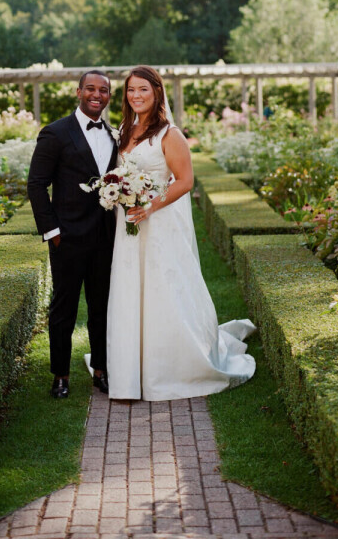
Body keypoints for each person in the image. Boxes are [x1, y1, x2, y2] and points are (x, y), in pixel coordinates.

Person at [107, 65, 256, 401]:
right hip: (129, 222)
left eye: (143, 89)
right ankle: (130, 368)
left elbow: (185, 181)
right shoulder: (124, 130)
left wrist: (150, 206)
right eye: (131, 90)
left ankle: (169, 366)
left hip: (158, 222)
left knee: (164, 287)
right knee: (132, 288)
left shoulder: (170, 134)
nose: (136, 96)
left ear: (157, 92)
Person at [27, 70, 118, 399]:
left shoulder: (113, 135)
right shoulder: (55, 133)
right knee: (63, 308)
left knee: (102, 306)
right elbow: (36, 185)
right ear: (79, 91)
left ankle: (102, 371)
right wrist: (53, 232)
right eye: (91, 89)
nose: (97, 95)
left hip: (106, 237)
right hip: (66, 237)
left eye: (104, 90)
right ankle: (61, 375)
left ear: (109, 96)